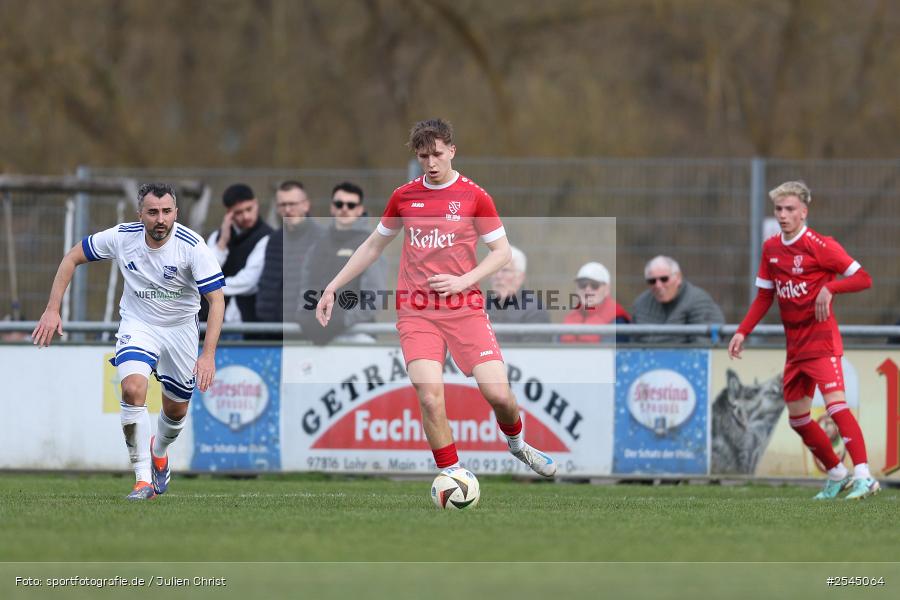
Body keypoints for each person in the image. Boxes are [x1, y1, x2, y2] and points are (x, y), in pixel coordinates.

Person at [315, 119, 556, 477]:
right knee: (429, 396)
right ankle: (453, 474)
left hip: (466, 310)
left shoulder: (475, 196)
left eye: (438, 154)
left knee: (500, 397)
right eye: (424, 155)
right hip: (417, 312)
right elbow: (372, 246)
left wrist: (464, 281)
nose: (431, 162)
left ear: (452, 151)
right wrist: (332, 286)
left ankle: (518, 446)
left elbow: (502, 252)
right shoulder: (404, 196)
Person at [31, 183, 225, 501]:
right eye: (152, 212)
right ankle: (142, 480)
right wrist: (53, 309)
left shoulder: (193, 246)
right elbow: (71, 258)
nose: (160, 219)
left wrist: (208, 355)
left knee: (175, 412)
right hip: (139, 325)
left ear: (176, 212)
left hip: (180, 331)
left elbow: (216, 301)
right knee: (133, 389)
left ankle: (159, 451)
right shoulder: (122, 237)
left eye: (166, 212)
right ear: (141, 214)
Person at [729, 180, 878, 500]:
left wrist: (830, 288)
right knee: (798, 419)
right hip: (795, 348)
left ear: (804, 212)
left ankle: (865, 476)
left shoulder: (820, 246)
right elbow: (764, 297)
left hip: (822, 342)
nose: (783, 215)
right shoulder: (771, 248)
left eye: (790, 209)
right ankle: (838, 473)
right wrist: (742, 331)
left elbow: (863, 278)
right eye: (778, 209)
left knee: (837, 407)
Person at [296, 182, 385, 344]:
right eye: (339, 204)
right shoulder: (317, 244)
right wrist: (305, 315)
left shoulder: (370, 245)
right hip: (316, 334)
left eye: (351, 205)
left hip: (357, 334)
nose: (344, 208)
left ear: (359, 210)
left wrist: (342, 320)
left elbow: (374, 297)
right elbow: (306, 286)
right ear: (332, 207)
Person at [256, 181, 321, 335]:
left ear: (306, 205)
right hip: (273, 330)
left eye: (292, 204)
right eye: (282, 205)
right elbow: (267, 283)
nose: (288, 209)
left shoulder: (322, 238)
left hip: (308, 331)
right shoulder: (273, 240)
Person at [204, 183, 273, 325]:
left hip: (248, 319)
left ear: (256, 204)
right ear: (229, 213)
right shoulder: (218, 237)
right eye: (238, 212)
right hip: (211, 317)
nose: (246, 216)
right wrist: (222, 242)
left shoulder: (267, 237)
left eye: (249, 209)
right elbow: (205, 271)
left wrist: (208, 288)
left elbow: (248, 281)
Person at [631, 255, 725, 343]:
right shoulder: (641, 304)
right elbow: (633, 345)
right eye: (652, 281)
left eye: (664, 279)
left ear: (678, 277)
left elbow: (705, 346)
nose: (658, 285)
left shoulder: (698, 301)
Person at [485, 245, 550, 343]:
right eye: (494, 270)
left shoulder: (534, 309)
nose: (498, 276)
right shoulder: (482, 307)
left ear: (520, 277)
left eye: (505, 270)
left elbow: (534, 353)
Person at [560, 261, 630, 344]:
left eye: (594, 285)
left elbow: (609, 355)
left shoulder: (617, 320)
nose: (587, 289)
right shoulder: (571, 317)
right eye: (582, 285)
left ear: (606, 289)